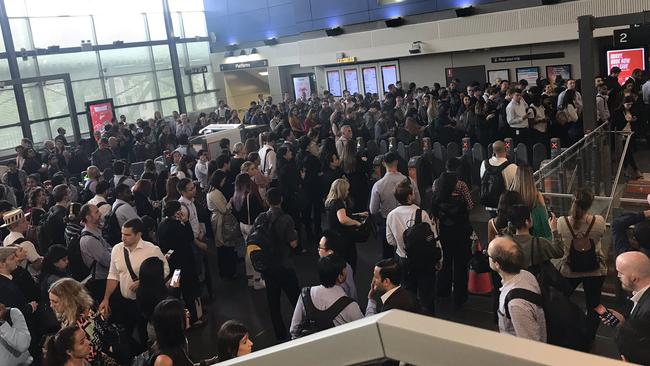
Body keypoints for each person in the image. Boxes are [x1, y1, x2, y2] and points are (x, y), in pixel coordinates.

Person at [99, 218, 169, 345]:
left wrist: (144, 281)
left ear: (138, 235)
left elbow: (165, 270)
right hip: (124, 302)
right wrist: (106, 298)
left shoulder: (152, 250)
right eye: (122, 234)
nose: (123, 238)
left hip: (145, 301)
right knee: (125, 333)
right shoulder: (117, 249)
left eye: (127, 235)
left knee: (145, 334)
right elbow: (113, 274)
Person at [555, 188, 606, 341]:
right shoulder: (599, 221)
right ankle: (590, 337)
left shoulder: (561, 222)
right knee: (594, 305)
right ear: (591, 203)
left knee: (561, 299)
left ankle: (566, 330)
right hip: (595, 269)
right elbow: (601, 235)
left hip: (570, 269)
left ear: (573, 201)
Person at [386, 179, 441, 315]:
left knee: (407, 293)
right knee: (426, 296)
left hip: (403, 259)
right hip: (424, 261)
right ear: (410, 196)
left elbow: (390, 240)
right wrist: (440, 259)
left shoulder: (391, 215)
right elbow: (433, 238)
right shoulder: (421, 214)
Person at [256, 187, 300, 341]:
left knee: (273, 304)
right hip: (285, 265)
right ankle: (300, 328)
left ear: (267, 201)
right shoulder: (286, 219)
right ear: (281, 200)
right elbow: (293, 243)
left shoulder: (260, 218)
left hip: (268, 267)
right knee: (296, 299)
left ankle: (280, 334)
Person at [48, 278, 119, 365]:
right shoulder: (90, 308)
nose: (51, 305)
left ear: (68, 301)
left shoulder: (76, 326)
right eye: (50, 301)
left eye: (55, 302)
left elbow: (93, 357)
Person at [431, 159, 473, 308]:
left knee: (445, 261)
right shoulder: (461, 185)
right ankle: (460, 296)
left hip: (444, 228)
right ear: (457, 169)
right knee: (461, 263)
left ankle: (443, 290)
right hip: (460, 229)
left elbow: (434, 203)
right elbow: (469, 205)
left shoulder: (437, 183)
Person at [289, 255, 363, 339]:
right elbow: (364, 330)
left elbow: (294, 329)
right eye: (345, 270)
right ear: (340, 276)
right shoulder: (350, 305)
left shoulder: (306, 294)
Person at [489, 236, 546, 342]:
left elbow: (530, 343)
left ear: (497, 264)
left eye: (488, 255)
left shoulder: (516, 304)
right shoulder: (526, 275)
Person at [370, 152, 420, 259]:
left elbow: (373, 210)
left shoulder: (378, 185)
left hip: (387, 221)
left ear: (383, 163)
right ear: (396, 162)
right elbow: (418, 201)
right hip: (408, 221)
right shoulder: (408, 181)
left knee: (388, 255)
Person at [157, 201, 201, 324]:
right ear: (177, 211)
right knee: (189, 291)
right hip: (185, 264)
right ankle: (193, 318)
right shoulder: (177, 226)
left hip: (173, 266)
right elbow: (190, 238)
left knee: (175, 292)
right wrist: (186, 222)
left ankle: (176, 319)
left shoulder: (161, 225)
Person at [231, 173, 264, 289]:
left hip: (242, 225)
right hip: (251, 226)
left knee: (248, 251)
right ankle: (257, 280)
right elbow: (259, 212)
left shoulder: (236, 196)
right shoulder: (251, 196)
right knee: (255, 252)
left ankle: (250, 277)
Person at [325, 179, 365, 272]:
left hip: (334, 237)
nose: (348, 191)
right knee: (349, 263)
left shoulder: (330, 202)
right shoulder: (339, 203)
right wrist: (357, 223)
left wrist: (359, 214)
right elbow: (343, 219)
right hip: (344, 239)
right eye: (346, 190)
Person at [606, 251, 650, 324]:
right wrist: (623, 323)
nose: (618, 276)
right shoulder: (642, 295)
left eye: (621, 273)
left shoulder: (646, 311)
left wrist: (624, 327)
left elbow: (638, 334)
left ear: (634, 279)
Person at [510, 166, 552, 241]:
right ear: (531, 179)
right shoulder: (537, 196)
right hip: (536, 239)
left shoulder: (511, 196)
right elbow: (544, 220)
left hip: (516, 238)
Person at [149, 298, 193, 366]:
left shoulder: (179, 341)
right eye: (184, 313)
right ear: (175, 323)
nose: (187, 314)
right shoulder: (163, 360)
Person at [479, 140, 518, 216]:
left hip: (489, 204)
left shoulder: (484, 164)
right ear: (506, 150)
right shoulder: (512, 167)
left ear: (493, 151)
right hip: (505, 205)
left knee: (493, 224)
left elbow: (482, 179)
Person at [2, 208, 42, 279]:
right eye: (23, 221)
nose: (27, 222)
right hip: (25, 278)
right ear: (14, 226)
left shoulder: (6, 239)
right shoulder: (25, 243)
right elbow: (38, 264)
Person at [318, 230, 357, 300]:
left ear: (330, 252)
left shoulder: (341, 270)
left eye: (320, 247)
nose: (318, 249)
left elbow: (351, 292)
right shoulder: (345, 265)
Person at [0, 247, 37, 321]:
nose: (17, 260)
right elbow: (9, 312)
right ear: (2, 264)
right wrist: (29, 308)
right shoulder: (2, 286)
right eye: (12, 258)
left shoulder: (11, 278)